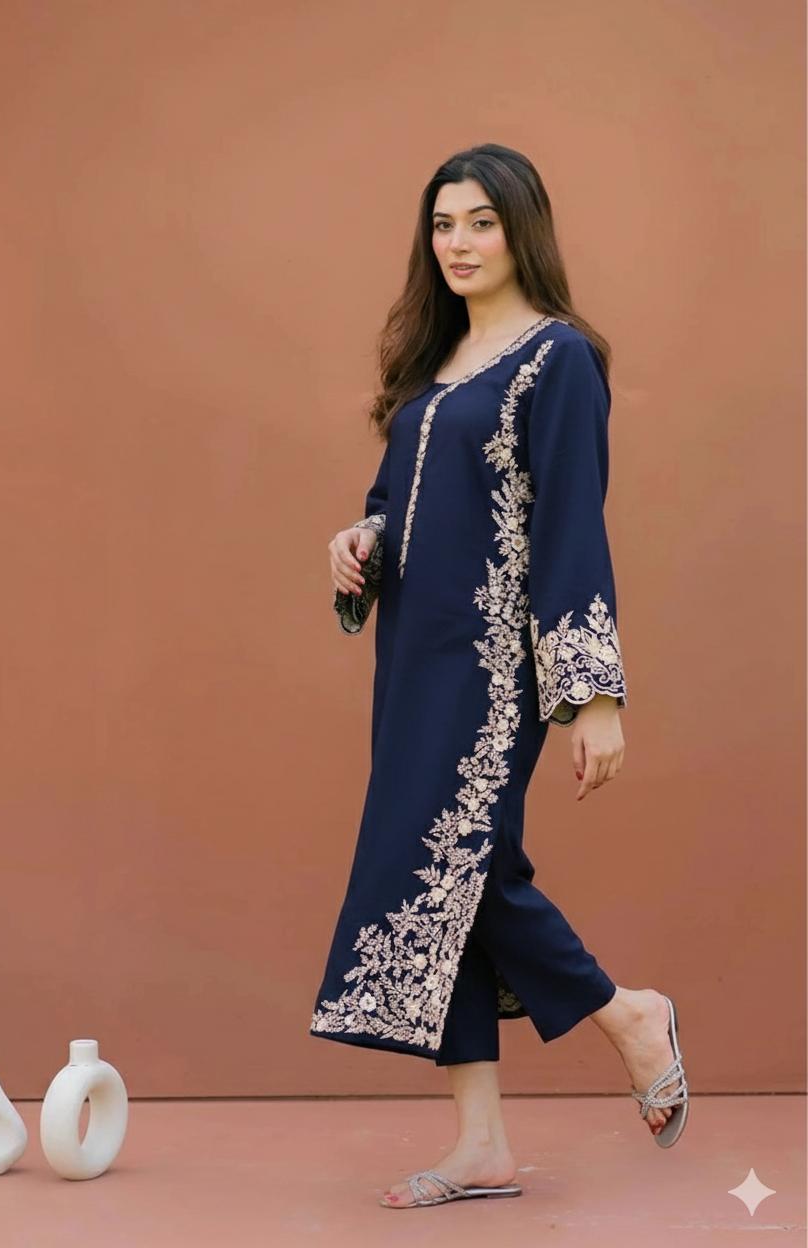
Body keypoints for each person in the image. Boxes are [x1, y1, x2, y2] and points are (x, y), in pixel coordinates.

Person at [308, 142, 689, 1209]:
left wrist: (593, 697)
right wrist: (361, 539)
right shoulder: (434, 365)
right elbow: (402, 503)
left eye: (480, 222)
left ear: (522, 230)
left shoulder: (555, 359)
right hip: (409, 662)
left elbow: (569, 528)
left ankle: (627, 1015)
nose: (459, 242)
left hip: (488, 668)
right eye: (443, 224)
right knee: (459, 885)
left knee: (451, 866)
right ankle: (480, 1144)